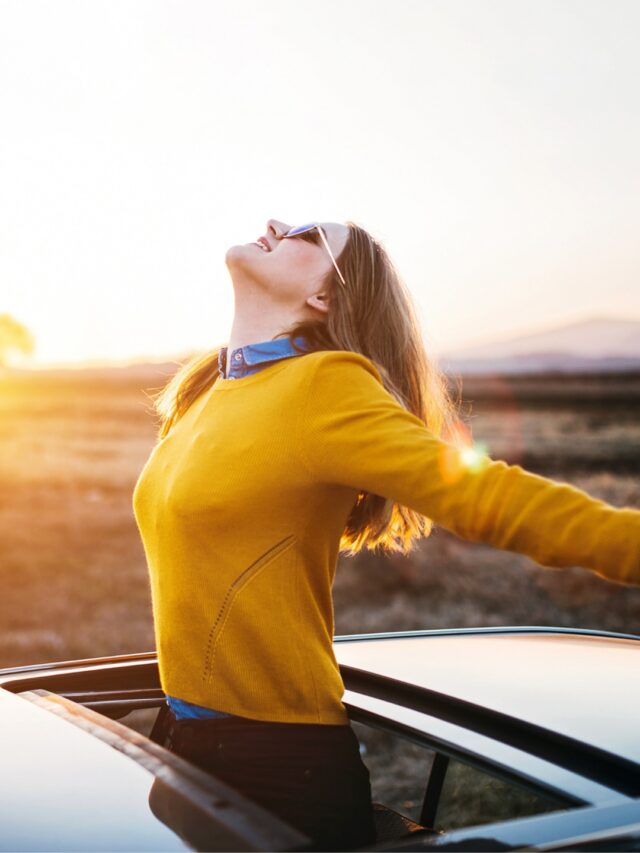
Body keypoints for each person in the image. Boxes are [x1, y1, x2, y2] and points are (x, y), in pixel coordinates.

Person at [132, 218, 640, 850]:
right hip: (183, 740)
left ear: (323, 297)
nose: (277, 225)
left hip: (279, 763)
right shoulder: (206, 389)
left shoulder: (325, 385)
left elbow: (483, 493)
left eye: (309, 234)